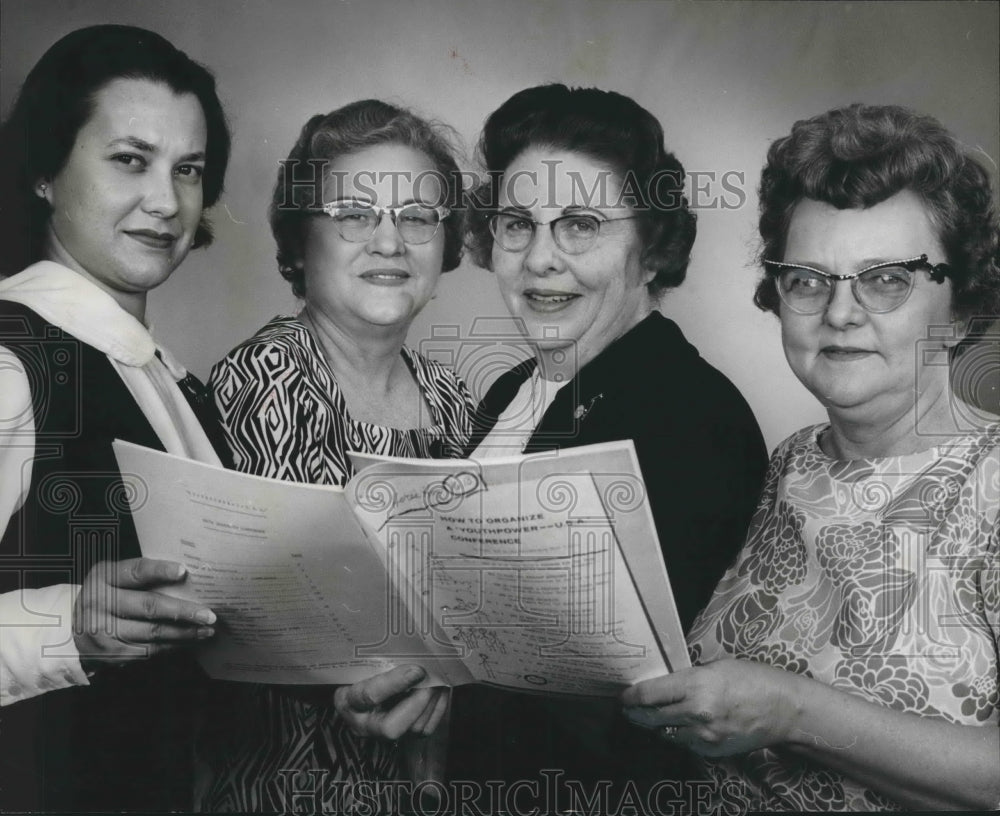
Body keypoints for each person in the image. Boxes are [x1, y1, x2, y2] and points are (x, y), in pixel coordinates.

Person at [623, 103, 1000, 812]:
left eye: (888, 278)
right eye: (807, 278)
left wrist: (798, 713)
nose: (839, 312)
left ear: (963, 303)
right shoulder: (796, 462)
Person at [443, 84, 769, 802]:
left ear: (651, 249)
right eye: (517, 224)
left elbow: (642, 702)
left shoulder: (693, 415)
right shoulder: (512, 393)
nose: (540, 259)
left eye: (581, 224)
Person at [201, 99, 474, 812]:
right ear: (298, 244)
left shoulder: (458, 400)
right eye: (355, 214)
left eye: (418, 218)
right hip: (291, 788)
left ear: (445, 247)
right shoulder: (265, 375)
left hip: (431, 783)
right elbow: (291, 608)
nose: (390, 241)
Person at [0, 24, 232, 811]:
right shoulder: (12, 357)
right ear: (43, 171)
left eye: (189, 169)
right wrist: (68, 623)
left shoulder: (166, 379)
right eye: (130, 160)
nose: (168, 203)